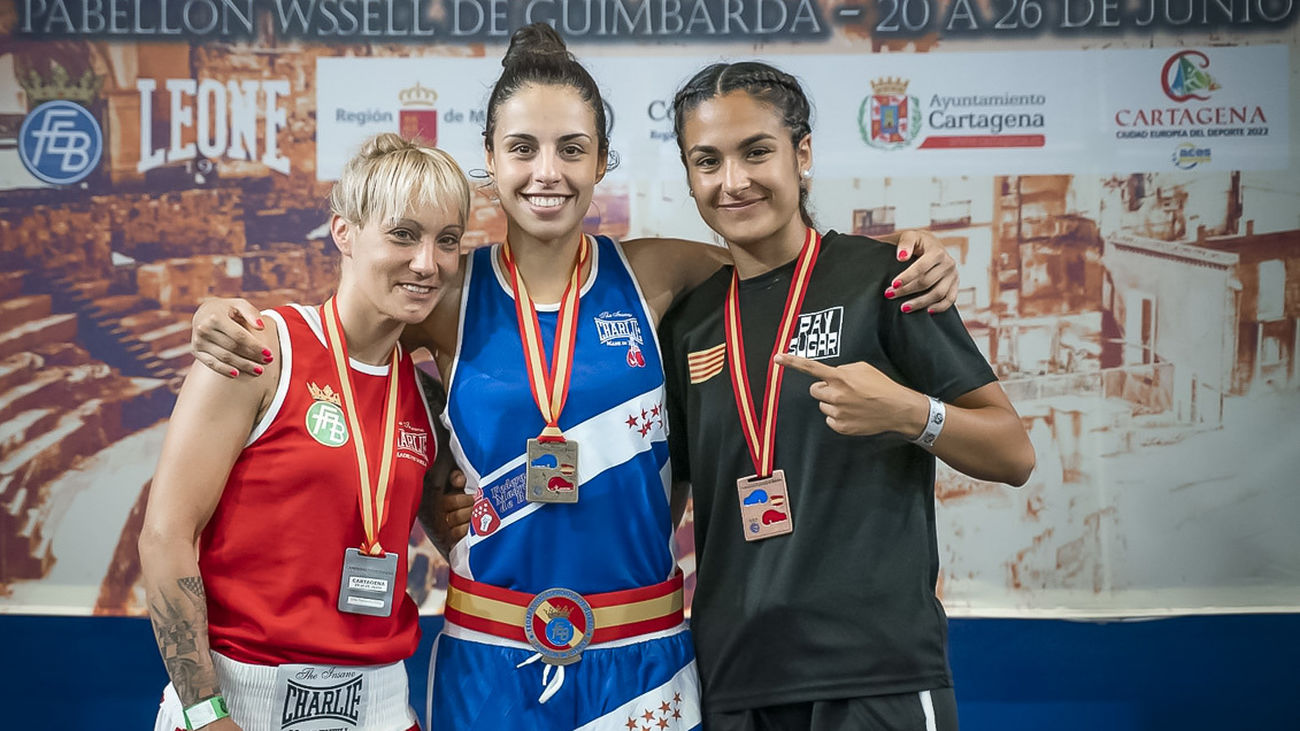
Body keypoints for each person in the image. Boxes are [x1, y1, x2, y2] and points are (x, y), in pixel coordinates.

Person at [188, 25, 963, 730]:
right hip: (490, 651)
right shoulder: (447, 296)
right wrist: (224, 315)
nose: (546, 172)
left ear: (601, 161)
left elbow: (793, 264)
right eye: (522, 148)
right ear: (490, 159)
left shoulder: (660, 274)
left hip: (645, 653)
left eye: (570, 148)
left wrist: (906, 251)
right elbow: (348, 352)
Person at [656, 62, 1036, 730]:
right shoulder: (690, 323)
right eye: (707, 160)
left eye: (756, 152)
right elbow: (665, 500)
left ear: (801, 155)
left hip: (874, 673)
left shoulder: (885, 280)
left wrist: (910, 413)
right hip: (733, 678)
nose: (732, 181)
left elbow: (1013, 452)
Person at [139, 132, 470, 731]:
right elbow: (165, 535)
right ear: (344, 232)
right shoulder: (261, 350)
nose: (427, 262)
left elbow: (456, 531)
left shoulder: (423, 395)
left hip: (383, 709)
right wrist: (205, 712)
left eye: (446, 240)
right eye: (403, 234)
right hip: (240, 705)